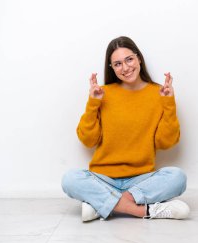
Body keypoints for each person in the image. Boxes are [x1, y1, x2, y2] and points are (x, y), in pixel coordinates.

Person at [61, 36, 190, 222]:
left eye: (129, 59)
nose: (126, 67)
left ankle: (101, 205)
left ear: (139, 58)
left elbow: (166, 143)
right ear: (111, 68)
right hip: (103, 178)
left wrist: (168, 104)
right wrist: (93, 104)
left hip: (141, 180)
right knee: (70, 179)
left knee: (177, 177)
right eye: (118, 63)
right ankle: (144, 211)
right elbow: (88, 140)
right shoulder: (102, 93)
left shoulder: (159, 93)